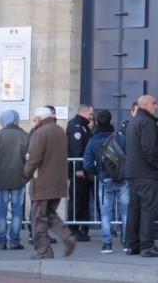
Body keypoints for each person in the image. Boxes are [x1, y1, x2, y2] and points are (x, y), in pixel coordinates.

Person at [24, 107, 76, 259]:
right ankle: (67, 236)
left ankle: (43, 251)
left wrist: (26, 173)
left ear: (39, 119)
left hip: (42, 182)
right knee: (50, 214)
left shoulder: (40, 133)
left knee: (37, 218)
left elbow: (33, 158)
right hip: (59, 182)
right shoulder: (60, 131)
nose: (34, 122)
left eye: (34, 119)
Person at [124, 94, 158, 257]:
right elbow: (150, 149)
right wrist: (157, 165)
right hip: (146, 172)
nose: (156, 106)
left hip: (133, 172)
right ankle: (147, 246)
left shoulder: (134, 121)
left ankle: (133, 244)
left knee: (134, 208)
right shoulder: (148, 123)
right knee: (148, 209)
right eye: (154, 103)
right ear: (146, 105)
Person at [83, 109, 128, 254]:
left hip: (105, 180)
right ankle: (127, 241)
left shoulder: (93, 141)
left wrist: (99, 173)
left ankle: (107, 244)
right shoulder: (120, 138)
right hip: (123, 179)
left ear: (96, 122)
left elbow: (87, 164)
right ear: (110, 121)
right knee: (126, 212)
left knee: (106, 213)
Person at [0, 109, 29, 250]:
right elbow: (31, 159)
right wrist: (27, 177)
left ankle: (1, 241)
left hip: (0, 179)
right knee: (17, 212)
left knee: (1, 212)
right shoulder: (25, 136)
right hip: (19, 179)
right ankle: (15, 241)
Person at [66, 103, 94, 241]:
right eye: (90, 113)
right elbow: (76, 149)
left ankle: (82, 227)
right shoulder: (76, 126)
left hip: (85, 170)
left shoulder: (83, 126)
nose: (91, 116)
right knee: (77, 198)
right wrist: (78, 168)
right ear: (83, 111)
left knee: (83, 199)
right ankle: (73, 228)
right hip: (79, 171)